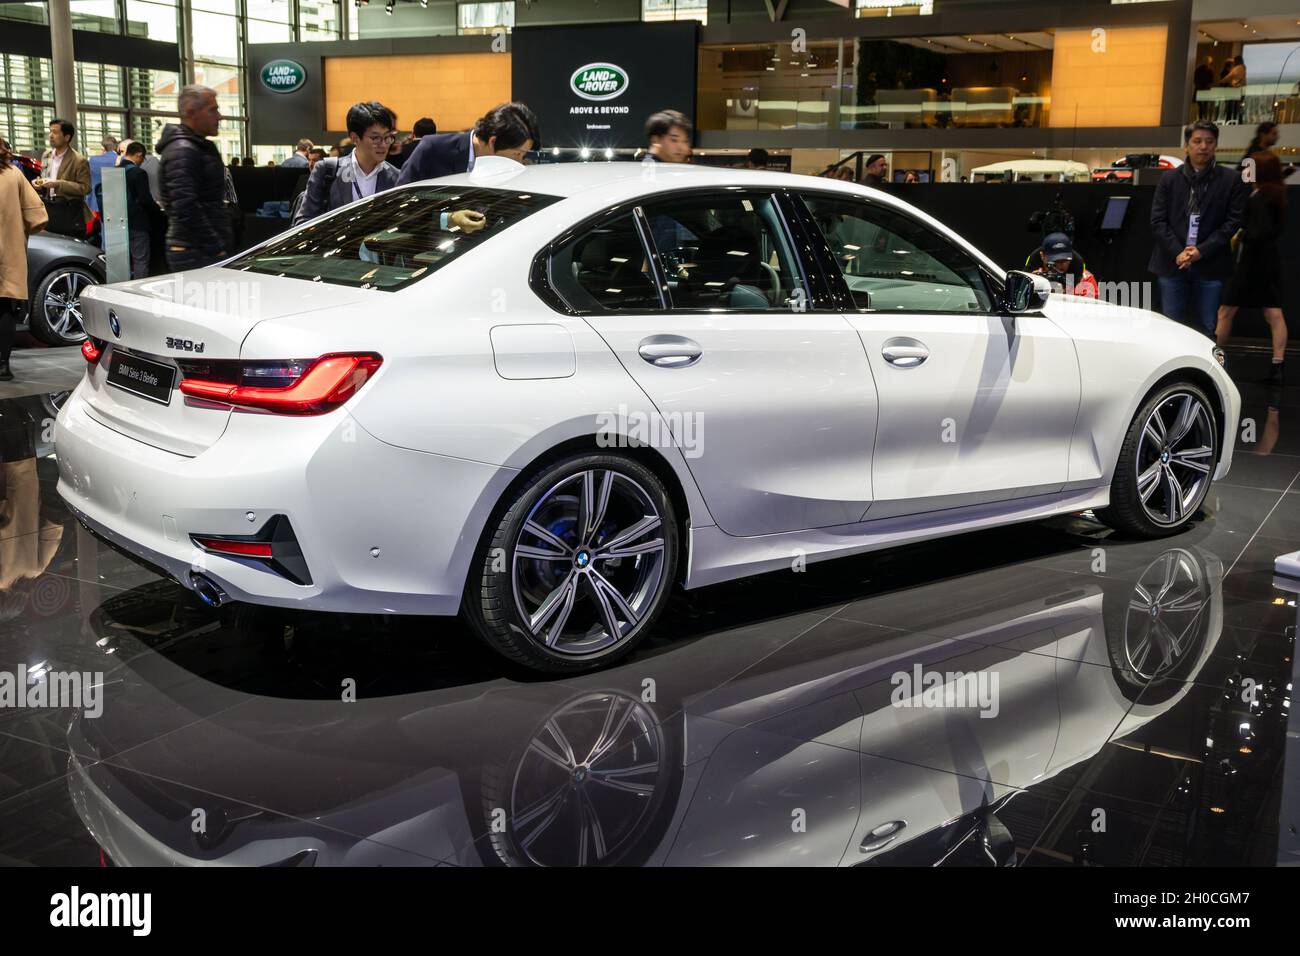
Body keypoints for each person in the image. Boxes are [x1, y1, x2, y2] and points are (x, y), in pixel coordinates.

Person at [1149, 120, 1248, 338]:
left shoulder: (1231, 180)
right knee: (1172, 327)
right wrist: (1178, 252)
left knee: (1207, 327)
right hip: (1172, 263)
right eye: (1197, 141)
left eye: (1209, 141)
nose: (1203, 146)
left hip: (1211, 263)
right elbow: (1158, 220)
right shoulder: (1169, 179)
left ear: (1216, 145)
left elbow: (1233, 222)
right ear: (1186, 146)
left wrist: (1201, 251)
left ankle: (1208, 361)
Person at [1217, 126, 1288, 384]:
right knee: (1273, 313)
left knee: (1225, 311)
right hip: (1269, 261)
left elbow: (1257, 232)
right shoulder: (1276, 196)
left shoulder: (1258, 198)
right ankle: (1278, 364)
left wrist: (1242, 234)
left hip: (1251, 262)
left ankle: (1215, 359)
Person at [157, 84, 232, 271]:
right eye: (213, 110)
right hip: (194, 250)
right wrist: (214, 246)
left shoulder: (195, 147)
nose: (219, 116)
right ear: (191, 112)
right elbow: (185, 205)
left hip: (197, 247)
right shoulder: (183, 150)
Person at [293, 101, 400, 225]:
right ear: (355, 138)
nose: (383, 144)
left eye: (387, 137)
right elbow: (304, 222)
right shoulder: (327, 171)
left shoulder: (397, 178)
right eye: (375, 138)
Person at [0, 136, 48, 382]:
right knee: (4, 307)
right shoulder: (13, 175)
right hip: (7, 253)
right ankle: (3, 365)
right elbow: (37, 218)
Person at [396, 103, 538, 186]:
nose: (519, 162)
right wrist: (446, 218)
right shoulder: (433, 149)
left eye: (523, 156)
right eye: (517, 154)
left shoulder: (508, 171)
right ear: (492, 142)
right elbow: (400, 199)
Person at [33, 118, 90, 239]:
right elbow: (45, 178)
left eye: (55, 132)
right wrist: (39, 184)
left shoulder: (79, 160)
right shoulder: (46, 155)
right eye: (50, 131)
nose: (50, 135)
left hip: (69, 212)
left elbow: (85, 188)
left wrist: (59, 184)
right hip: (50, 210)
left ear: (67, 137)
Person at [118, 141, 163, 278]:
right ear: (138, 154)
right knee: (140, 260)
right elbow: (145, 200)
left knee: (121, 261)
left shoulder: (114, 171)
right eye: (142, 159)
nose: (142, 162)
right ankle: (138, 288)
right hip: (137, 224)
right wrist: (158, 208)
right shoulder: (138, 173)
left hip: (117, 223)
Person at [1030, 231, 1098, 298]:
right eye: (1055, 261)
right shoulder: (1034, 278)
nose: (1060, 265)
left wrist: (1064, 295)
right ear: (1042, 256)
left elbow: (1091, 304)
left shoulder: (1086, 280)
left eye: (1064, 260)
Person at [86, 136, 119, 213]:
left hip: (95, 203)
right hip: (115, 204)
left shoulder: (93, 160)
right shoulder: (119, 159)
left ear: (103, 148)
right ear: (116, 147)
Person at [1193, 56, 1215, 120]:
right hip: (1206, 89)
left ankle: (1200, 118)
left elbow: (1195, 80)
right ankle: (1204, 118)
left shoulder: (1198, 69)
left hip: (1199, 89)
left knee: (1200, 105)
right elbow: (1211, 81)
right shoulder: (1209, 70)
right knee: (1205, 105)